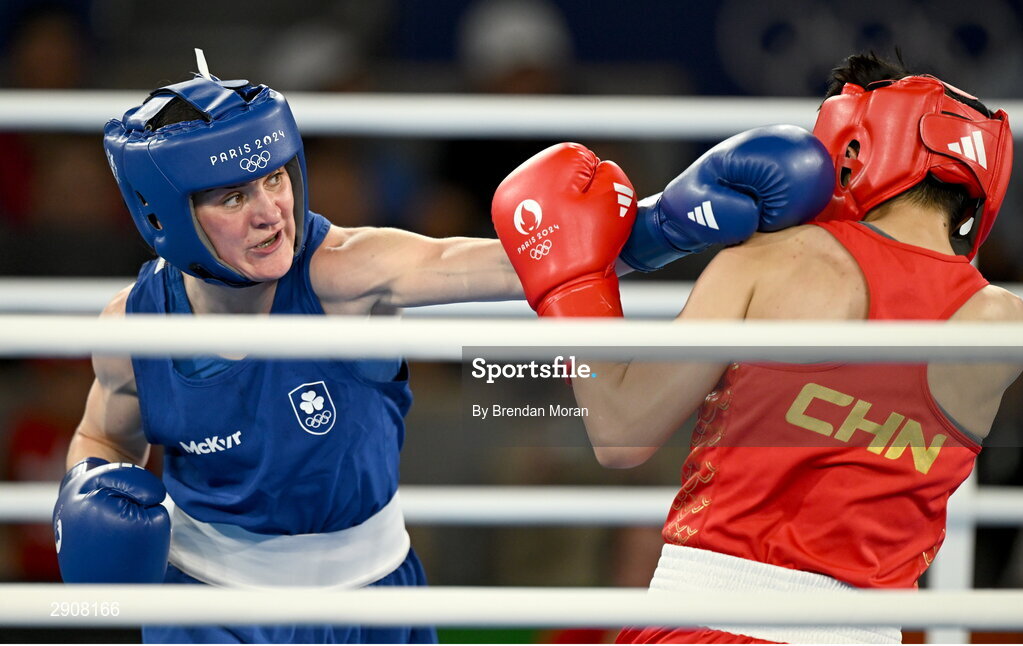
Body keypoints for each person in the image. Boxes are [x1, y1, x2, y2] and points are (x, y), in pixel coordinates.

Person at [51, 56, 831, 643]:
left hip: (372, 598)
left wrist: (668, 224)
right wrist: (92, 482)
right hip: (209, 607)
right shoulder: (132, 331)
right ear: (166, 219)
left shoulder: (346, 272)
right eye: (230, 197)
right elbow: (105, 433)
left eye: (276, 179)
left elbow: (520, 260)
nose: (269, 213)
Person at [492, 52, 1021, 644]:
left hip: (708, 615)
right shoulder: (1001, 322)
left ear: (850, 150)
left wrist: (574, 287)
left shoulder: (772, 259)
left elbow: (620, 431)